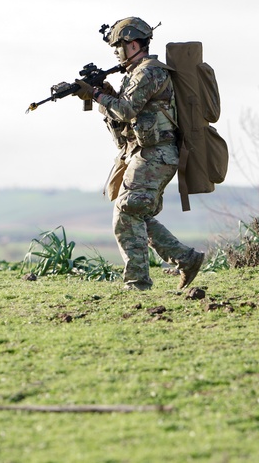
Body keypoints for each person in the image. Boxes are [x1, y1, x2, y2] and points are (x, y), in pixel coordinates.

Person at [71, 17, 205, 291]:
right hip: (148, 153)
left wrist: (97, 96)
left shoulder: (149, 72)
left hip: (156, 154)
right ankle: (185, 259)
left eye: (118, 47)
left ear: (132, 44)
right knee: (136, 213)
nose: (116, 54)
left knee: (126, 211)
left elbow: (126, 110)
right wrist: (105, 93)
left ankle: (138, 282)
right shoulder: (136, 74)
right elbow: (123, 116)